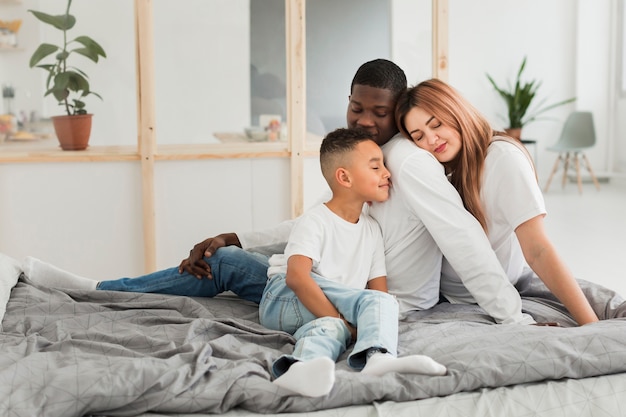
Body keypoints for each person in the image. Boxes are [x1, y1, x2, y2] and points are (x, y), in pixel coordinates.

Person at [22, 59, 532, 326]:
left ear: (398, 112)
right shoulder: (366, 156)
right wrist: (238, 235)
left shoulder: (408, 162)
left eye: (382, 113)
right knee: (227, 258)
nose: (367, 120)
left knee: (227, 265)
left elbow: (462, 235)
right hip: (338, 281)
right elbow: (324, 221)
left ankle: (95, 289)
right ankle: (102, 288)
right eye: (359, 108)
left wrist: (514, 318)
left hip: (361, 296)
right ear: (348, 102)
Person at [394, 78, 599, 326]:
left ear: (456, 111)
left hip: (479, 300)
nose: (431, 139)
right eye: (418, 136)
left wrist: (590, 325)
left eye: (436, 124)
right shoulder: (434, 168)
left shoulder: (503, 159)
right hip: (443, 296)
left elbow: (538, 249)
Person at [259, 127, 446, 397]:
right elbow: (296, 277)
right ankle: (378, 357)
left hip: (322, 308)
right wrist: (346, 321)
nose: (387, 173)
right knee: (364, 308)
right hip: (285, 297)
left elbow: (377, 289)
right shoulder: (315, 220)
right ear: (344, 177)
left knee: (332, 328)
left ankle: (300, 369)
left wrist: (349, 325)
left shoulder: (371, 229)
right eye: (375, 167)